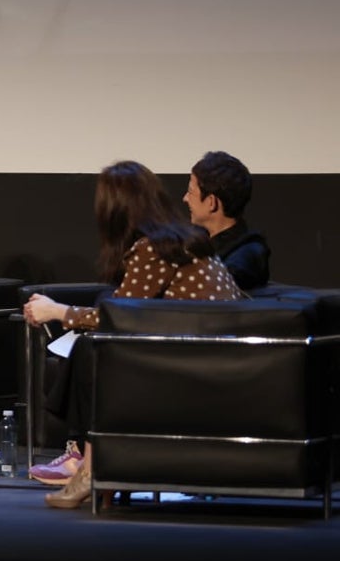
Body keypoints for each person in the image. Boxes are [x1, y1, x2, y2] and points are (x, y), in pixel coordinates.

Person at [29, 150, 271, 486]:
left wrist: (56, 312)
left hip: (198, 361)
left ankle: (85, 460)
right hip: (207, 352)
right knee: (89, 341)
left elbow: (117, 318)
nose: (185, 198)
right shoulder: (176, 240)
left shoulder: (157, 247)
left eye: (191, 190)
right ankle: (84, 456)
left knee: (89, 346)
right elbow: (125, 310)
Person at [183, 150, 270, 290]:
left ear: (212, 202)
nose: (185, 198)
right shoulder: (196, 241)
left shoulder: (247, 254)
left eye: (191, 192)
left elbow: (216, 294)